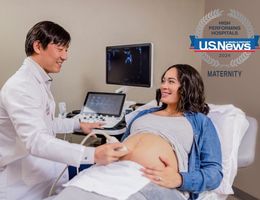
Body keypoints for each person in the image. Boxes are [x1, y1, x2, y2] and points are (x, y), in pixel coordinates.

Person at [48, 64, 223, 200]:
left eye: (171, 81)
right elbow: (126, 141)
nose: (163, 86)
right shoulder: (144, 114)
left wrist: (180, 179)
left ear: (188, 86)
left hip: (150, 180)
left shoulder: (200, 122)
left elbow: (214, 173)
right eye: (163, 80)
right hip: (111, 172)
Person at [0, 21, 128, 200]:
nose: (65, 56)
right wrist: (93, 154)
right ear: (38, 46)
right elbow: (36, 140)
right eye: (60, 49)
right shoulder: (21, 86)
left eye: (66, 50)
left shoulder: (37, 81)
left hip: (41, 172)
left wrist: (78, 124)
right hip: (21, 183)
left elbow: (45, 122)